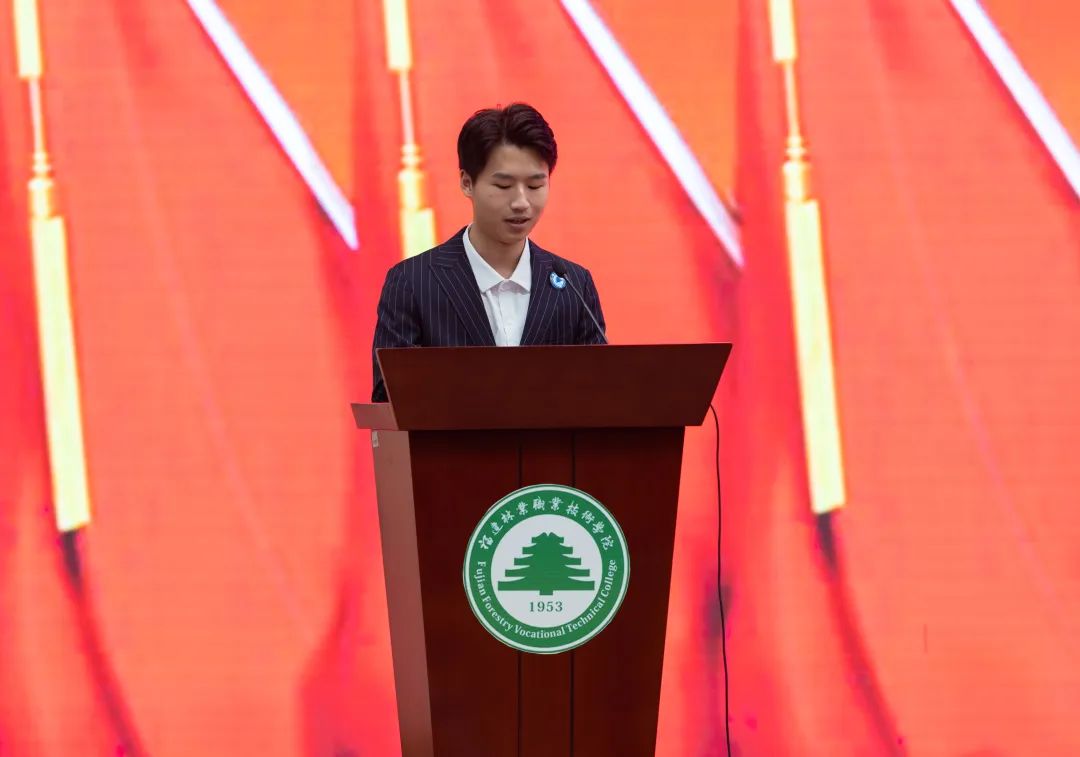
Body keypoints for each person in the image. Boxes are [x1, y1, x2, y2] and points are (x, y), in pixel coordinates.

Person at [370, 102, 606, 402]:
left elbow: (600, 396)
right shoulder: (413, 283)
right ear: (467, 183)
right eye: (504, 186)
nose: (521, 202)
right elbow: (389, 402)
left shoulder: (573, 285)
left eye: (535, 186)